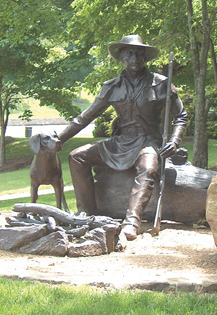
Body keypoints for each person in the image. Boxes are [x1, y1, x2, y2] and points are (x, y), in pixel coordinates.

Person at [57, 34, 187, 240]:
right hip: (120, 142)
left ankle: (132, 221)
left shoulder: (161, 83)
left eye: (138, 54)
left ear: (145, 57)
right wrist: (60, 139)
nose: (134, 58)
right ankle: (87, 214)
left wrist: (173, 141)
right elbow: (85, 117)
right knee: (76, 156)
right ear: (121, 58)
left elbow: (180, 116)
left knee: (148, 167)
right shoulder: (112, 86)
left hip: (148, 141)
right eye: (129, 54)